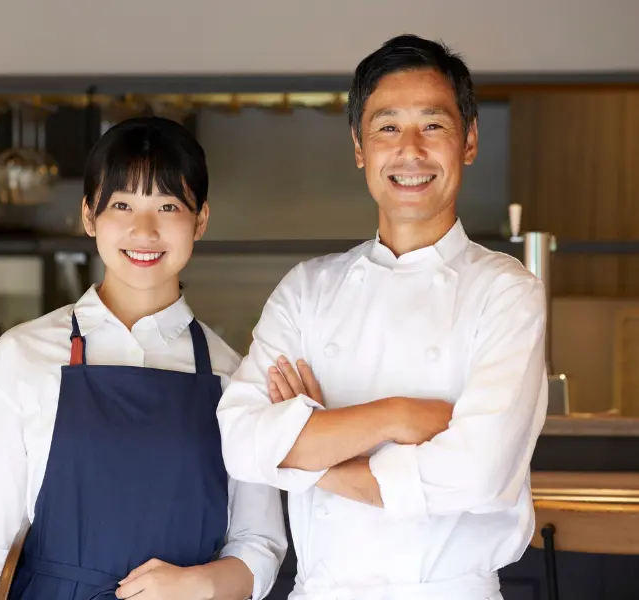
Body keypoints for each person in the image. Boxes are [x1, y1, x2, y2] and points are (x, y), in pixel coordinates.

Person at [216, 34, 548, 600]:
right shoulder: (308, 289)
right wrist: (395, 416)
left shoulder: (505, 291)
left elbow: (477, 471)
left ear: (468, 140)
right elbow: (244, 443)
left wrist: (309, 458)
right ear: (359, 147)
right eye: (388, 127)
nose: (410, 150)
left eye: (433, 125)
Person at [0, 117, 287, 600]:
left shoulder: (234, 375)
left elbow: (260, 544)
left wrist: (198, 584)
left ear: (201, 219)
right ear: (90, 216)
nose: (144, 230)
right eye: (122, 205)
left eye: (169, 205)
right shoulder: (23, 356)